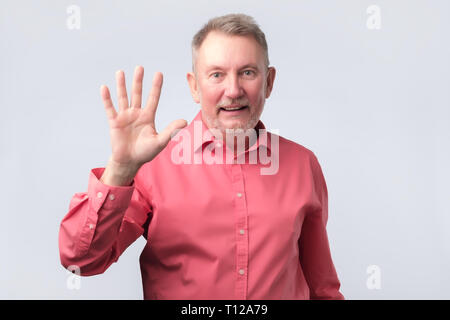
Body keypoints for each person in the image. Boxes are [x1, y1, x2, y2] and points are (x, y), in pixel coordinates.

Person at [58, 13, 345, 300]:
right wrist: (120, 169)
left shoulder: (303, 165)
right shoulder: (153, 165)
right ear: (195, 86)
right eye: (217, 74)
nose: (233, 91)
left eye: (247, 72)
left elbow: (322, 288)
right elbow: (81, 262)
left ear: (269, 81)